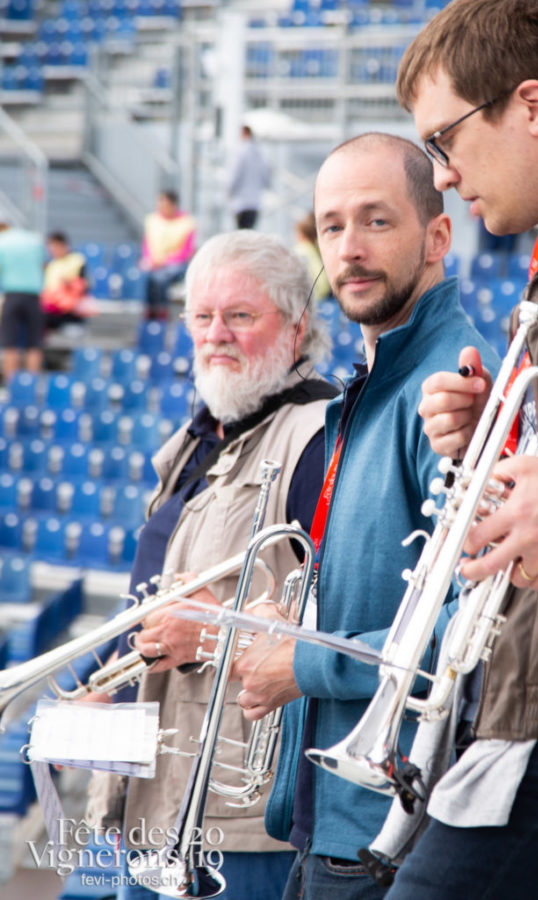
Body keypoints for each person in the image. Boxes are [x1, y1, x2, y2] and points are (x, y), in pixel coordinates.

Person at [231, 133, 499, 900]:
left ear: (438, 236)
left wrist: (304, 663)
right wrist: (292, 624)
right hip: (333, 826)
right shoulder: (376, 380)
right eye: (332, 225)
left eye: (377, 222)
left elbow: (473, 628)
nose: (349, 248)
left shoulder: (450, 387)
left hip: (388, 839)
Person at [386, 2, 538, 898]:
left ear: (534, 105)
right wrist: (497, 438)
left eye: (445, 140)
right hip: (535, 700)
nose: (440, 177)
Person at [86, 229, 336, 900]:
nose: (215, 334)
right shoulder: (198, 438)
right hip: (154, 790)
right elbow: (152, 590)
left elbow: (344, 623)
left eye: (240, 316)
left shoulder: (318, 438)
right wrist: (101, 676)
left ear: (296, 326)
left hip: (240, 820)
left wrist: (206, 636)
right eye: (202, 316)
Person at [140, 190, 196, 320]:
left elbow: (186, 251)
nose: (160, 207)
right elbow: (146, 244)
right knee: (147, 276)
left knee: (160, 278)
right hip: (154, 263)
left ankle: (161, 313)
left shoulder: (187, 222)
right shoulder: (152, 220)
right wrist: (149, 260)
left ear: (173, 205)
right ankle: (150, 312)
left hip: (175, 264)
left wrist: (164, 261)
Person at [0, 221, 45, 382]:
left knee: (9, 344)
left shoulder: (3, 241)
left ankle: (13, 386)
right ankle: (30, 386)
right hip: (33, 296)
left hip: (12, 295)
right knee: (34, 344)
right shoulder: (34, 240)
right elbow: (42, 265)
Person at [41, 232, 92, 331]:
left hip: (70, 310)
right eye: (50, 247)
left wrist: (69, 284)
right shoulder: (51, 264)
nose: (52, 250)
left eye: (55, 246)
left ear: (63, 245)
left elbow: (83, 286)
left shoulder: (77, 260)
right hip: (52, 308)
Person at [227, 125, 271, 229]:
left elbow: (235, 174)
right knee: (250, 232)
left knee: (241, 233)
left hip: (241, 202)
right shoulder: (260, 153)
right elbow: (266, 177)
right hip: (255, 202)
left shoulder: (240, 152)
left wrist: (229, 191)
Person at [293, 211, 331, 303]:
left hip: (313, 302)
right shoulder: (320, 249)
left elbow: (322, 283)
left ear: (301, 234)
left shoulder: (302, 250)